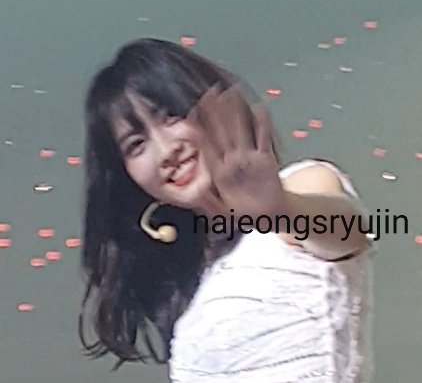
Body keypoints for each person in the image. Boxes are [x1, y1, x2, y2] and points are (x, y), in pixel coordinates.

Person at [79, 38, 374, 382]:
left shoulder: (302, 185)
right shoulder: (197, 274)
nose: (166, 151)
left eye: (171, 117)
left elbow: (348, 230)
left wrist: (280, 210)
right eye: (136, 144)